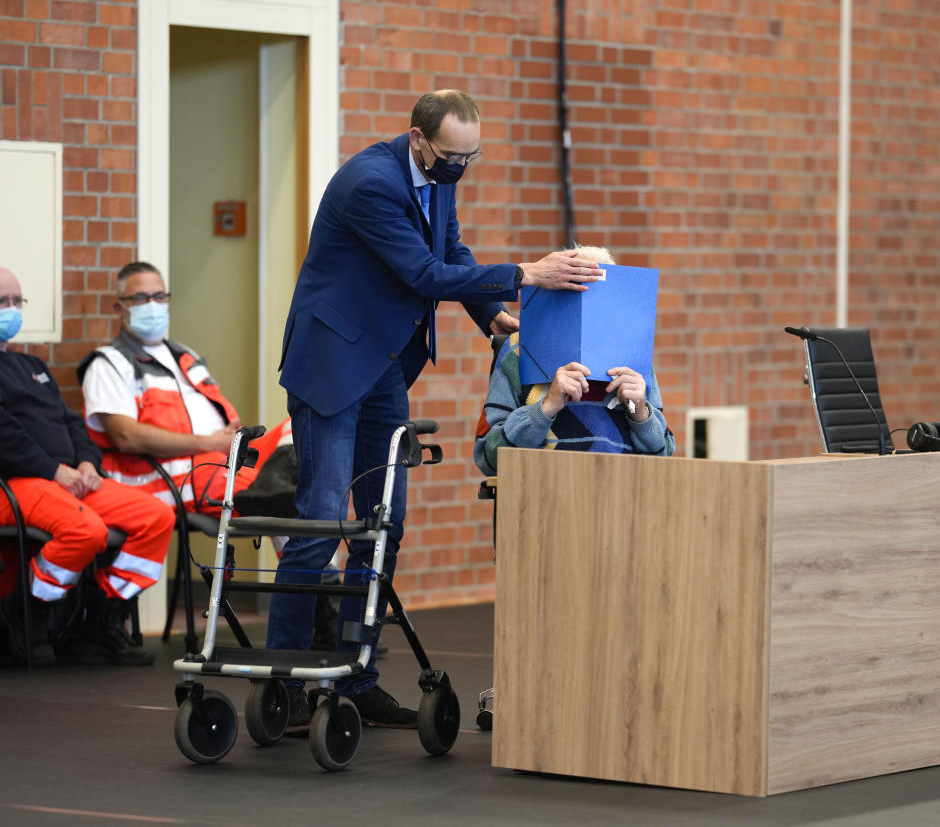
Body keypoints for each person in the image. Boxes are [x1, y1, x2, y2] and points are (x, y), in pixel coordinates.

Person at [270, 89, 602, 728]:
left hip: (384, 367)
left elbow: (454, 256)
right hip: (333, 364)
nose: (461, 169)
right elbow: (423, 274)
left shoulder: (435, 175)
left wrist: (495, 319)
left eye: (472, 158)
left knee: (384, 520)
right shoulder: (370, 182)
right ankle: (285, 680)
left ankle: (356, 675)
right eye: (453, 156)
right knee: (320, 521)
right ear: (418, 138)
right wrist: (528, 273)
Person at [0, 266, 176, 666]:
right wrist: (54, 470)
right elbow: (6, 438)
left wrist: (86, 463)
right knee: (87, 531)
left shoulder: (35, 366)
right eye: (2, 303)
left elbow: (70, 422)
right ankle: (26, 611)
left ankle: (100, 614)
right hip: (18, 481)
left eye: (16, 302)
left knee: (157, 516)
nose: (11, 311)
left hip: (69, 479)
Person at [77, 261, 293, 516]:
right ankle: (301, 550)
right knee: (275, 492)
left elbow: (222, 412)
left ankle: (312, 546)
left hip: (223, 457)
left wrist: (229, 432)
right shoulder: (107, 363)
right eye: (140, 298)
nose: (152, 305)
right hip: (172, 472)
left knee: (299, 429)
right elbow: (126, 437)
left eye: (159, 296)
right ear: (119, 307)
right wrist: (210, 442)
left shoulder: (184, 355)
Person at [474, 246, 676, 476]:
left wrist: (640, 413)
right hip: (539, 498)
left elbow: (665, 455)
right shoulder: (517, 351)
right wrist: (545, 409)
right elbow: (487, 457)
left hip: (621, 499)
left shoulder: (633, 357)